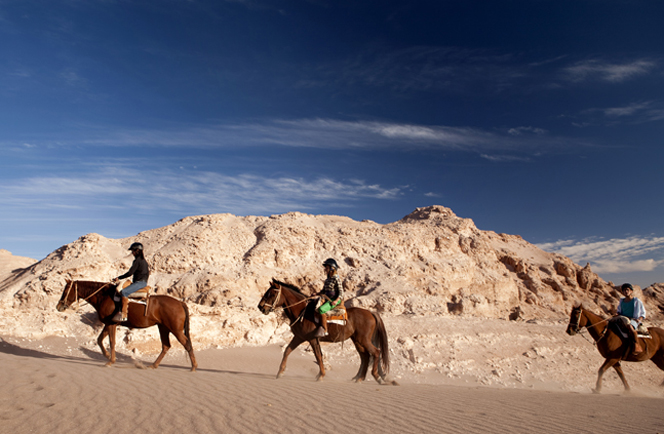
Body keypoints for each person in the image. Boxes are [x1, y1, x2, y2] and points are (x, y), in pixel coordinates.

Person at [112, 242, 150, 322]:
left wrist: (118, 278)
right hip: (142, 282)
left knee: (124, 292)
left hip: (139, 283)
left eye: (133, 251)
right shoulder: (144, 261)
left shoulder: (137, 261)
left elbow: (130, 273)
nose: (132, 253)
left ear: (137, 250)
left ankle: (123, 314)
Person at [314, 258, 344, 338]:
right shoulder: (327, 279)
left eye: (327, 267)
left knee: (321, 309)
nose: (325, 269)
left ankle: (325, 330)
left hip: (334, 299)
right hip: (326, 298)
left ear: (332, 268)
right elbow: (323, 291)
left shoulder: (336, 278)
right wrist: (316, 294)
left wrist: (336, 300)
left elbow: (341, 292)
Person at [616, 283, 646, 355]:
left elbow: (643, 312)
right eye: (624, 290)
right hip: (623, 318)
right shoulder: (622, 301)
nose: (626, 291)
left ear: (631, 291)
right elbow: (619, 311)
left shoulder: (636, 301)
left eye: (627, 290)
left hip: (633, 320)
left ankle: (636, 345)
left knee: (630, 327)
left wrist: (639, 319)